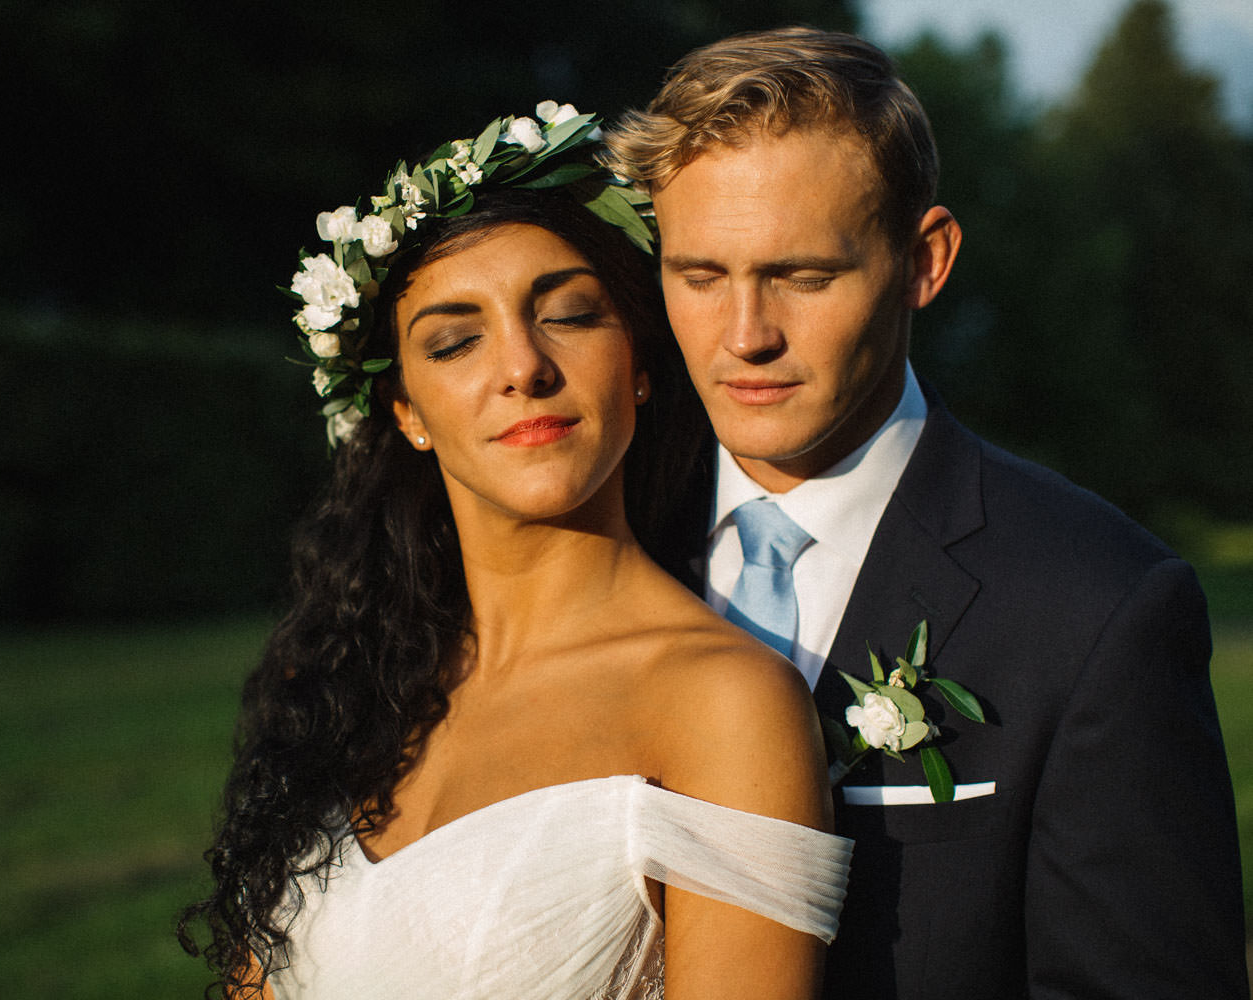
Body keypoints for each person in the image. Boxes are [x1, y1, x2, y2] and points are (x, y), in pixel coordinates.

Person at [602, 26, 1247, 1000]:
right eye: (701, 275)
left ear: (924, 261)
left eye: (802, 275)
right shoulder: (597, 542)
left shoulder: (1098, 608)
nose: (746, 335)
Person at [179, 105, 852, 1000]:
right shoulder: (347, 688)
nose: (522, 365)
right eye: (456, 341)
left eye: (569, 315)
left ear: (640, 365)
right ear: (408, 414)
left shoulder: (725, 704)